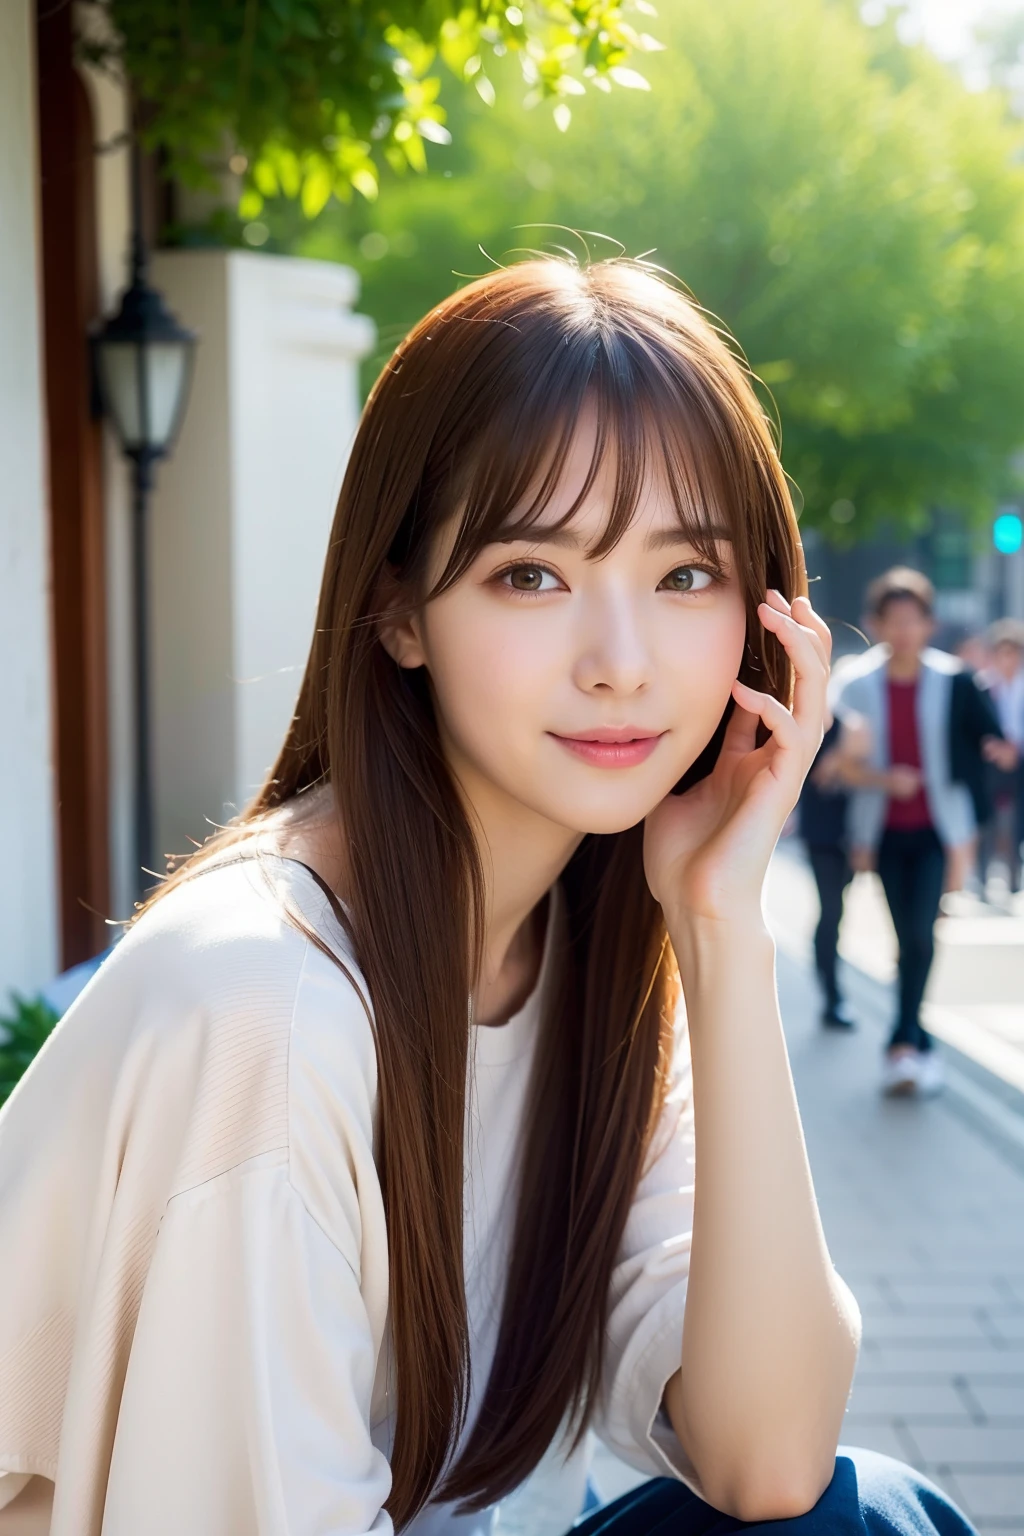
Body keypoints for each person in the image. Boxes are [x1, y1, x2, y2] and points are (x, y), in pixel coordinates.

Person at [0, 263, 976, 1536]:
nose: (621, 664)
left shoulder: (596, 949)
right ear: (398, 606)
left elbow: (769, 1458)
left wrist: (723, 930)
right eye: (532, 573)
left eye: (684, 576)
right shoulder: (265, 1011)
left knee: (868, 1514)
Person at [836, 568, 1008, 1100]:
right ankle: (915, 1042)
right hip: (884, 830)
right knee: (904, 936)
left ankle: (902, 1041)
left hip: (938, 831)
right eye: (895, 620)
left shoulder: (954, 680)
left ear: (929, 624)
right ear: (877, 624)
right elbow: (843, 767)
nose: (905, 630)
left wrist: (995, 754)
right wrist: (884, 779)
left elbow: (991, 736)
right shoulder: (860, 685)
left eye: (914, 620)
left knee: (919, 934)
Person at [797, 719, 855, 1029]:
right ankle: (832, 996)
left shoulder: (855, 725)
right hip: (821, 833)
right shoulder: (809, 724)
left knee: (838, 910)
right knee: (831, 910)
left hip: (859, 833)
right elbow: (817, 775)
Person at [978, 618, 1024, 895]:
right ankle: (984, 876)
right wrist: (995, 747)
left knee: (1018, 822)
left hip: (1021, 761)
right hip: (992, 763)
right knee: (989, 821)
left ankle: (1015, 877)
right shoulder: (982, 686)